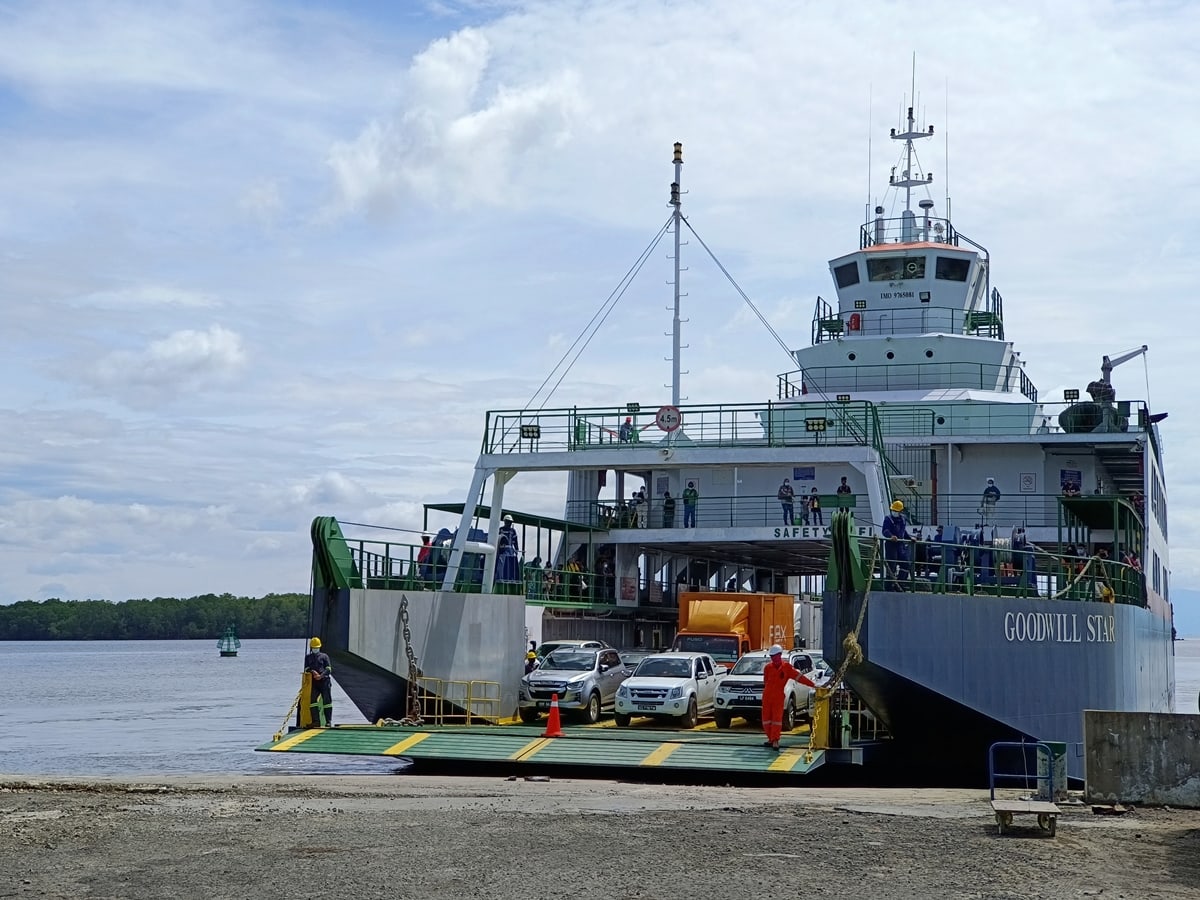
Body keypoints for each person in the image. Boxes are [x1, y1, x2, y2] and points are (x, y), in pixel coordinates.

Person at [762, 644, 816, 750]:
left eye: (776, 656)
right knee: (766, 719)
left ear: (780, 655)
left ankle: (775, 740)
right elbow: (765, 681)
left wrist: (813, 685)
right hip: (767, 697)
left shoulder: (786, 668)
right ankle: (770, 738)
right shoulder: (768, 668)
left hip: (778, 697)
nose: (774, 659)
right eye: (772, 657)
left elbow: (800, 678)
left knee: (777, 719)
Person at [304, 636, 333, 727]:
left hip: (324, 681)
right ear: (311, 648)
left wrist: (321, 675)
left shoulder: (324, 656)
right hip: (314, 683)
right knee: (313, 701)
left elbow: (329, 669)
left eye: (316, 648)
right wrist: (312, 672)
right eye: (314, 648)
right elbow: (306, 668)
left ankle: (328, 721)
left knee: (327, 702)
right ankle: (316, 721)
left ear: (319, 647)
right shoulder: (308, 657)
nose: (315, 649)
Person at [882, 500, 910, 589]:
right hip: (891, 545)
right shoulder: (888, 519)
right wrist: (891, 536)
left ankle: (901, 584)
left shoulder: (903, 520)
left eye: (896, 511)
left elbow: (903, 532)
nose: (894, 512)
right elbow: (885, 531)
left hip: (900, 545)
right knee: (891, 566)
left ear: (901, 511)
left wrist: (910, 538)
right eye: (893, 510)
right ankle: (889, 586)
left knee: (905, 564)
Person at [496, 514, 520, 583]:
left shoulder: (513, 531)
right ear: (505, 521)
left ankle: (510, 578)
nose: (509, 523)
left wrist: (516, 549)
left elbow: (515, 540)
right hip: (502, 550)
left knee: (511, 564)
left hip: (510, 550)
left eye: (510, 522)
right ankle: (501, 578)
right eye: (508, 521)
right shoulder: (501, 529)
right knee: (502, 564)